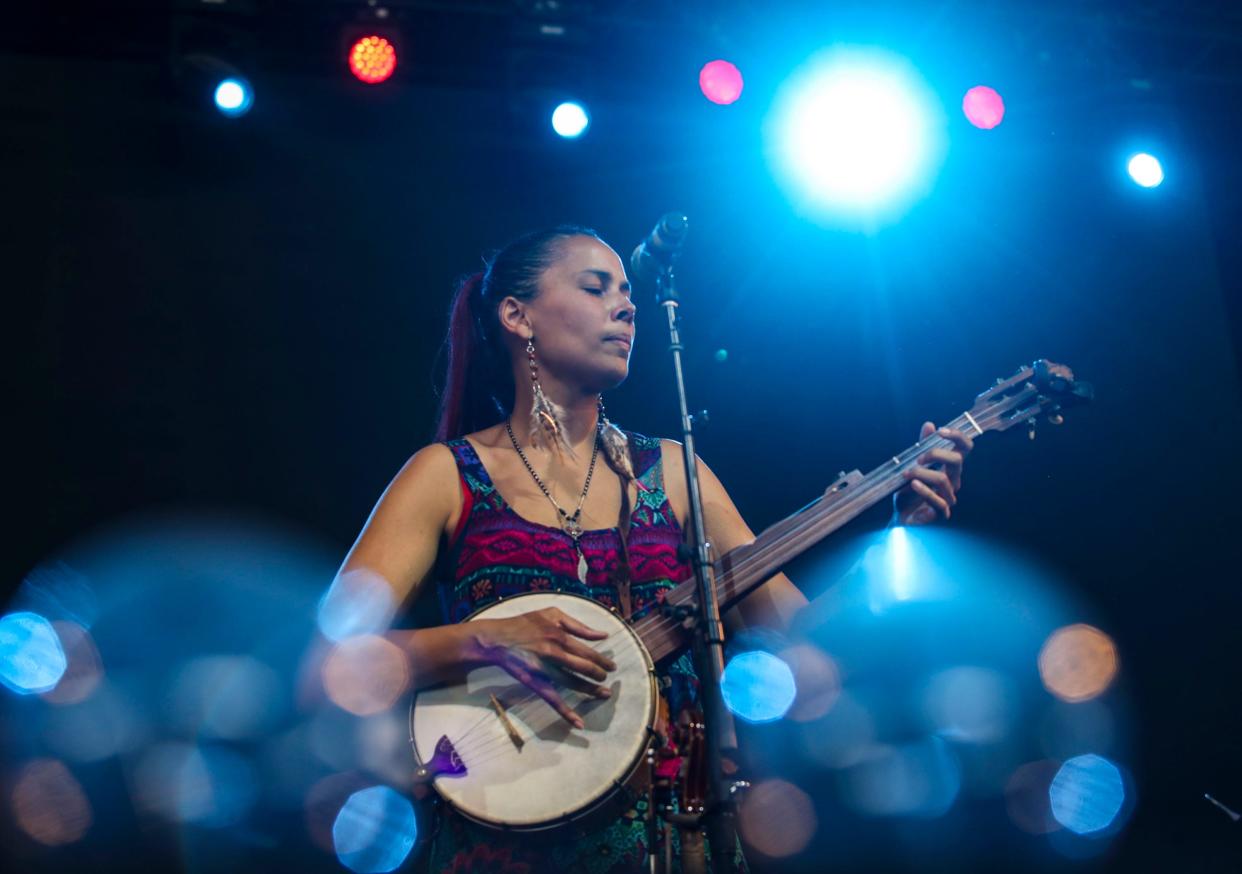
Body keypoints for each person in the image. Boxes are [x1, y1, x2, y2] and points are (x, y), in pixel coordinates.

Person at [337, 226, 974, 872]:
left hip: (671, 845)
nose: (626, 306)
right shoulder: (447, 475)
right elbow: (329, 655)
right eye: (596, 287)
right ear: (516, 315)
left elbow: (806, 648)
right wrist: (492, 641)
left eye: (627, 292)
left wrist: (899, 537)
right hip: (499, 846)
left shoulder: (674, 473)